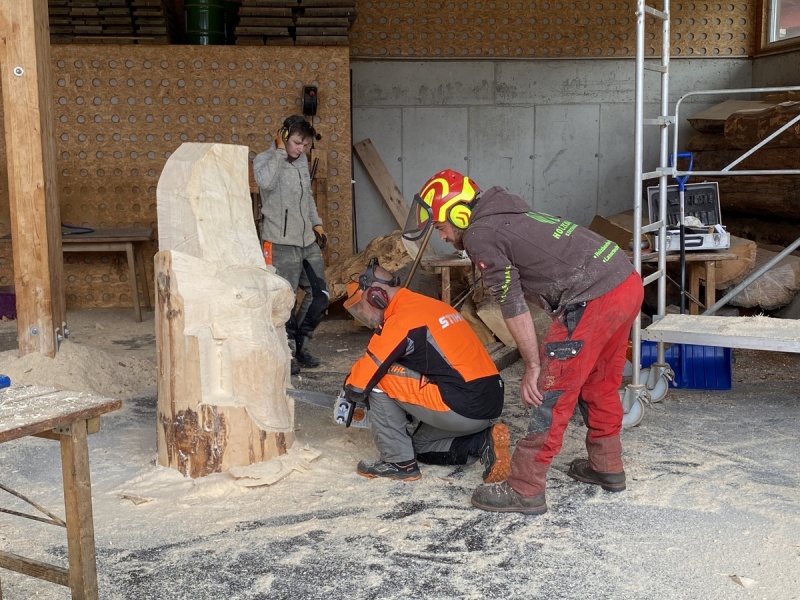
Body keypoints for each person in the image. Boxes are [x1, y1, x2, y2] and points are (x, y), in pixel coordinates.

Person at [406, 169, 644, 514]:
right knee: (601, 381)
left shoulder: (481, 233)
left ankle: (525, 487)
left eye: (441, 227)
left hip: (593, 296)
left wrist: (533, 366)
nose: (442, 236)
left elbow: (512, 302)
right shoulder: (505, 209)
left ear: (459, 214)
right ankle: (607, 465)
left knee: (552, 393)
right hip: (624, 279)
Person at [341, 258, 510, 483]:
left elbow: (360, 382)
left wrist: (349, 393)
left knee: (379, 378)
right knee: (421, 445)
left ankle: (397, 462)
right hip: (488, 404)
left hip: (460, 406)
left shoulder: (402, 319)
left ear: (376, 296)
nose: (362, 313)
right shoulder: (435, 306)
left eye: (361, 306)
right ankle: (482, 443)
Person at [254, 115, 329, 374]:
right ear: (283, 136)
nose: (301, 149)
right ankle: (285, 353)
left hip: (306, 240)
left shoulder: (301, 162)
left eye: (305, 145)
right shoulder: (264, 160)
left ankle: (301, 346)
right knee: (284, 300)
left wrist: (316, 223)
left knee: (320, 295)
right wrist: (278, 152)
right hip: (280, 242)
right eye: (297, 143)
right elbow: (266, 183)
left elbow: (307, 196)